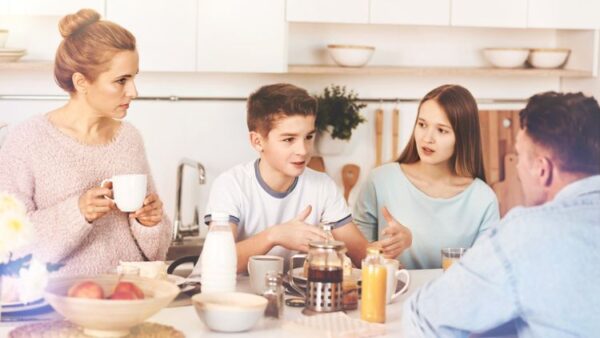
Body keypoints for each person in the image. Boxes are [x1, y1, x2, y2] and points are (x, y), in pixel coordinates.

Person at [402, 91, 600, 337]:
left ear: (542, 170)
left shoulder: (525, 234)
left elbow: (423, 318)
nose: (516, 167)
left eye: (519, 157)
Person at [0, 9, 171, 276]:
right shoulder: (28, 140)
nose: (134, 91)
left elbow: (156, 252)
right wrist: (78, 212)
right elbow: (9, 245)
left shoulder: (129, 138)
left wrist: (151, 223)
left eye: (134, 77)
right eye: (121, 80)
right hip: (58, 304)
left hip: (128, 297)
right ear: (81, 82)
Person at [200, 83, 369, 273]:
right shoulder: (230, 185)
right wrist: (275, 235)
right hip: (233, 298)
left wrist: (388, 250)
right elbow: (217, 263)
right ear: (257, 141)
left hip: (291, 299)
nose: (303, 150)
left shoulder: (322, 186)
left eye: (308, 137)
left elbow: (362, 255)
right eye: (289, 139)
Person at [354, 84, 499, 269]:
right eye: (422, 125)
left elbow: (486, 273)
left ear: (463, 137)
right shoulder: (380, 181)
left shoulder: (483, 199)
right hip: (395, 298)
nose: (427, 138)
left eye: (441, 130)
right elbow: (355, 261)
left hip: (453, 298)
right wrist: (386, 250)